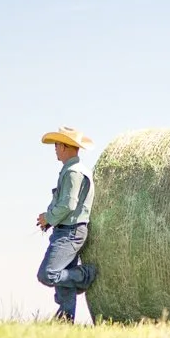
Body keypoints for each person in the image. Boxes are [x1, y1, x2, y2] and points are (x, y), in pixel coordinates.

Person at [36, 126, 98, 322]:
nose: (55, 148)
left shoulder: (73, 172)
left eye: (56, 145)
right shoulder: (72, 170)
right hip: (69, 229)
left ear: (64, 146)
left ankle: (85, 275)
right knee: (64, 280)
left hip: (70, 231)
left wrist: (49, 217)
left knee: (47, 274)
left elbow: (68, 204)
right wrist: (49, 220)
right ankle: (65, 318)